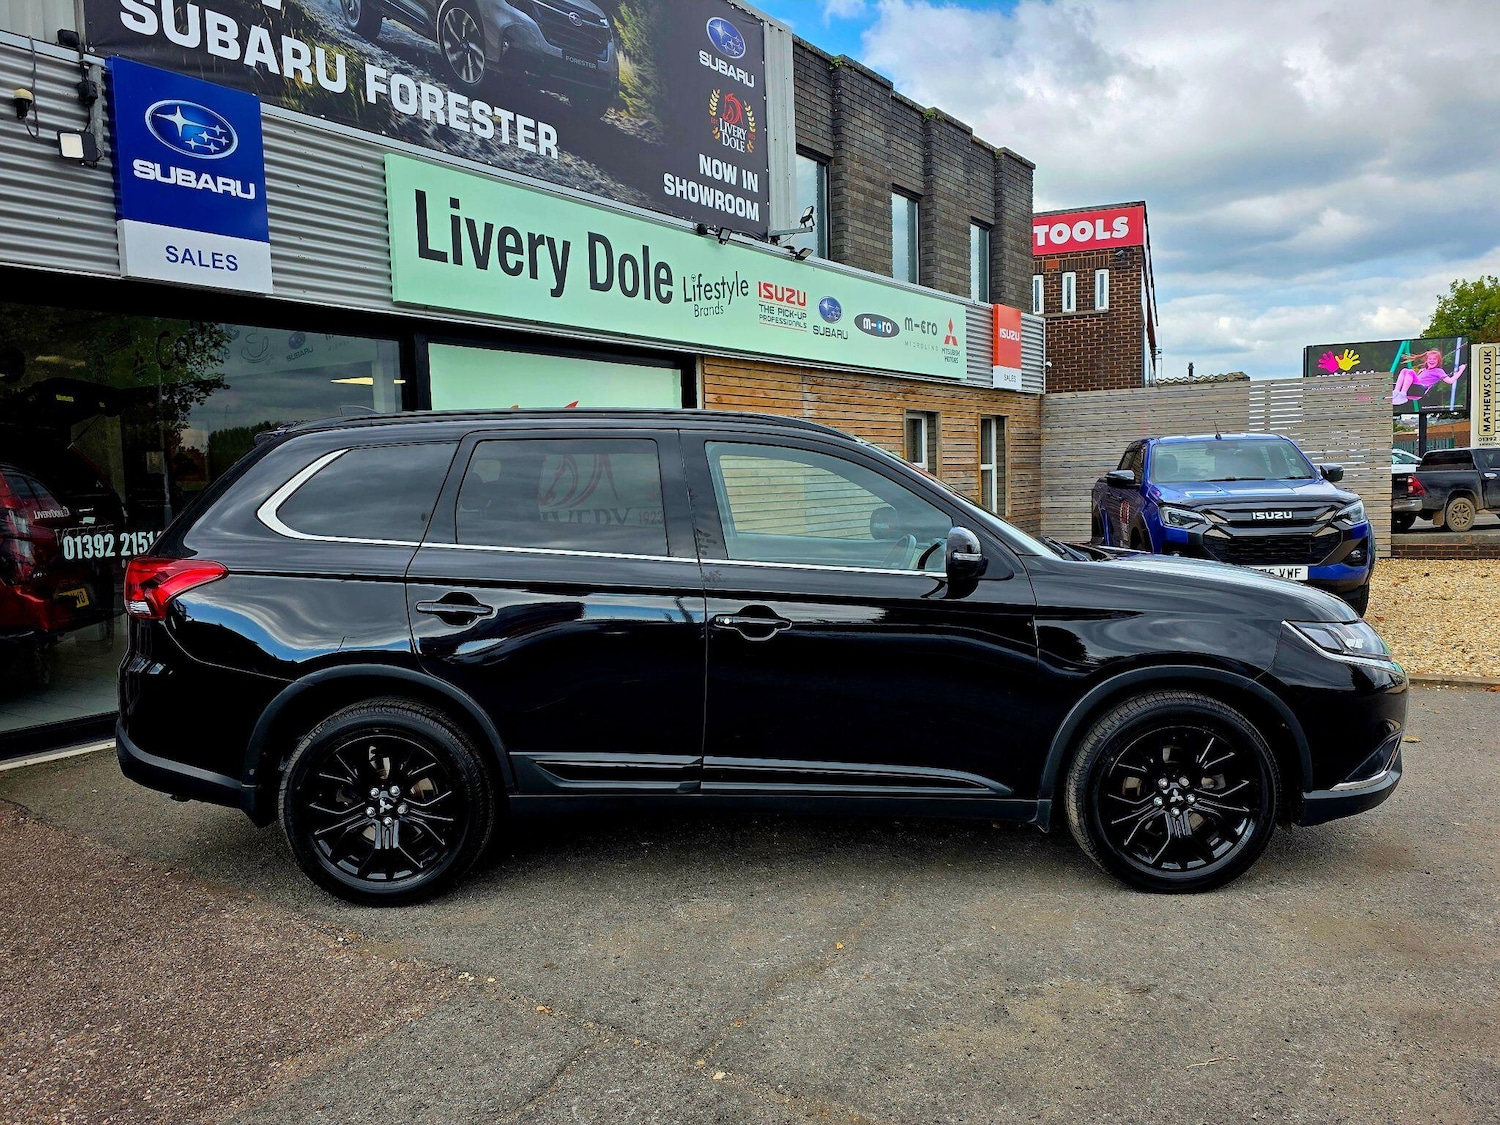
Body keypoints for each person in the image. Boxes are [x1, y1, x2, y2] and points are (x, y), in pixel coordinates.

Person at [1392, 349, 1465, 406]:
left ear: (1438, 361)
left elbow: (1451, 381)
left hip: (1419, 390)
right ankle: (1396, 392)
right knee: (1404, 370)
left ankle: (1402, 395)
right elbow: (1415, 380)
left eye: (1434, 359)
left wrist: (1461, 370)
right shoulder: (1424, 370)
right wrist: (1420, 372)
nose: (1432, 361)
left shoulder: (1438, 371)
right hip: (1413, 390)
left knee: (1410, 372)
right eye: (1430, 359)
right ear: (1426, 360)